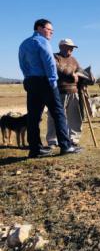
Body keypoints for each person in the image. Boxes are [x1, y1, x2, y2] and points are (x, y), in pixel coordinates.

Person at [18, 19, 81, 157]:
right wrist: (53, 81)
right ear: (39, 28)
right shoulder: (43, 42)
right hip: (45, 82)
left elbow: (22, 64)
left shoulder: (24, 44)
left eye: (52, 31)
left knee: (33, 116)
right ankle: (65, 146)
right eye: (49, 29)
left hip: (31, 81)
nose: (51, 33)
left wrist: (28, 78)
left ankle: (35, 149)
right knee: (58, 113)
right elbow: (49, 63)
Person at [46, 39, 83, 148]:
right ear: (61, 46)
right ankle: (52, 140)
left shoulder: (74, 60)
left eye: (72, 48)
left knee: (75, 117)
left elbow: (80, 70)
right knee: (54, 116)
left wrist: (87, 76)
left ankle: (74, 139)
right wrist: (72, 75)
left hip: (74, 92)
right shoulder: (55, 57)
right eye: (69, 47)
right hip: (58, 91)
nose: (71, 50)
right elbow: (57, 69)